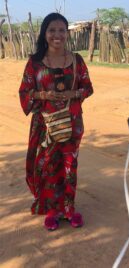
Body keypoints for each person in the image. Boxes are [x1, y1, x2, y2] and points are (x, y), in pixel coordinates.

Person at [19, 12, 93, 231]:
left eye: (62, 30)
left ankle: (69, 209)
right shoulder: (34, 63)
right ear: (45, 33)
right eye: (52, 30)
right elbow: (25, 91)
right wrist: (44, 96)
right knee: (50, 166)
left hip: (72, 123)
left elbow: (88, 88)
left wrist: (74, 94)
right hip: (45, 125)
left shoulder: (76, 60)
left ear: (67, 33)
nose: (57, 35)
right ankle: (52, 209)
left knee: (70, 166)